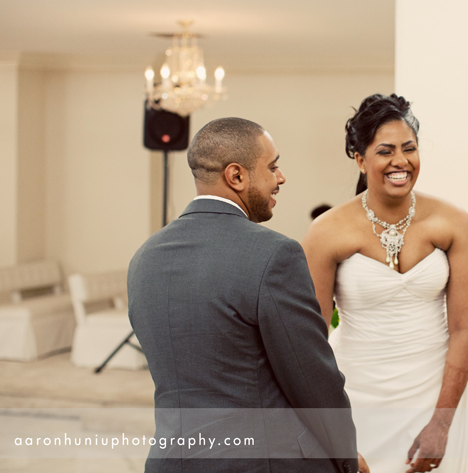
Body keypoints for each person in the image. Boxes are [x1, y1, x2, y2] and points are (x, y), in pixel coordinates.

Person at [128, 117, 367, 473]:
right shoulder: (274, 254)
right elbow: (312, 379)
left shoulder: (144, 257)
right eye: (272, 167)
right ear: (236, 176)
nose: (280, 177)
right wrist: (347, 456)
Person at [301, 94, 468, 473]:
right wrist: (330, 427)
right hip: (357, 396)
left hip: (439, 392)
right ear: (360, 160)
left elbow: (465, 329)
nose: (400, 161)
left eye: (409, 148)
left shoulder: (453, 222)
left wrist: (442, 423)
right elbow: (311, 340)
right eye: (385, 151)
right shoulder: (326, 232)